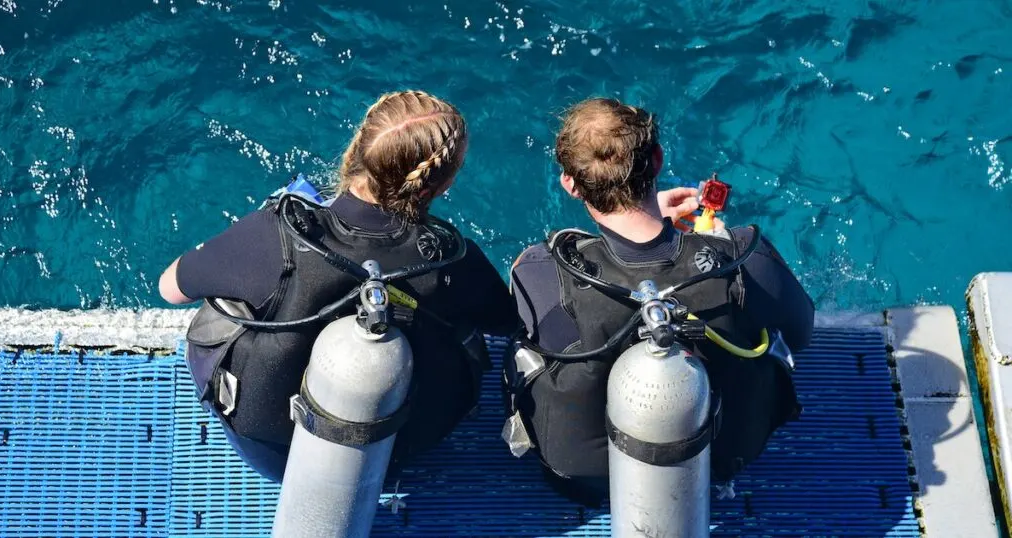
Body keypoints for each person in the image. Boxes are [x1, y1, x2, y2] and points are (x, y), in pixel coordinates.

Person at [158, 90, 517, 481]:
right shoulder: (450, 260)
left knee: (227, 303)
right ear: (437, 187)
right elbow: (506, 320)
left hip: (275, 454)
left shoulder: (278, 236)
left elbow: (170, 288)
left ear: (359, 148)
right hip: (401, 447)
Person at [503, 98, 815, 505]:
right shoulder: (743, 259)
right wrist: (709, 245)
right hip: (721, 457)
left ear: (570, 184)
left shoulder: (544, 270)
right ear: (658, 159)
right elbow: (801, 330)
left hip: (587, 480)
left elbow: (517, 298)